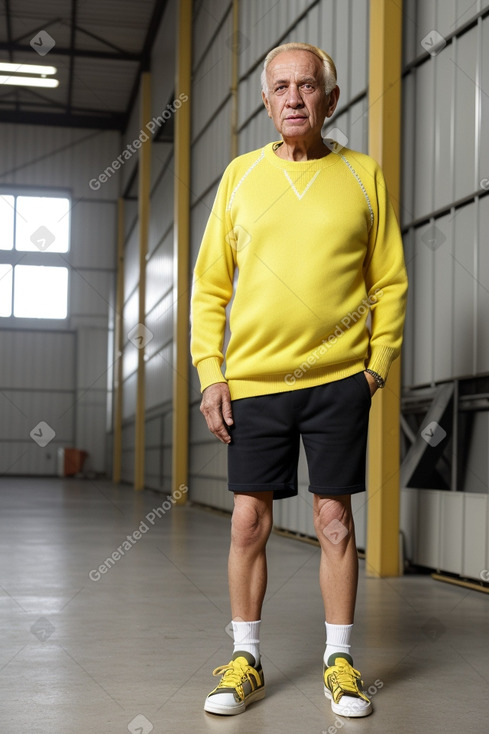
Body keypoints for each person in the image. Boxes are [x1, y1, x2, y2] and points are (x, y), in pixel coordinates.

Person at [191, 41, 407, 719]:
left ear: (329, 99)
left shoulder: (362, 175)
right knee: (248, 522)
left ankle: (339, 661)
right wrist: (209, 373)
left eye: (306, 87)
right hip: (254, 382)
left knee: (334, 521)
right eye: (280, 87)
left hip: (340, 379)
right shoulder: (238, 178)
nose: (293, 98)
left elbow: (390, 282)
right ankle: (245, 658)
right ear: (264, 101)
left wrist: (373, 369)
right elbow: (207, 291)